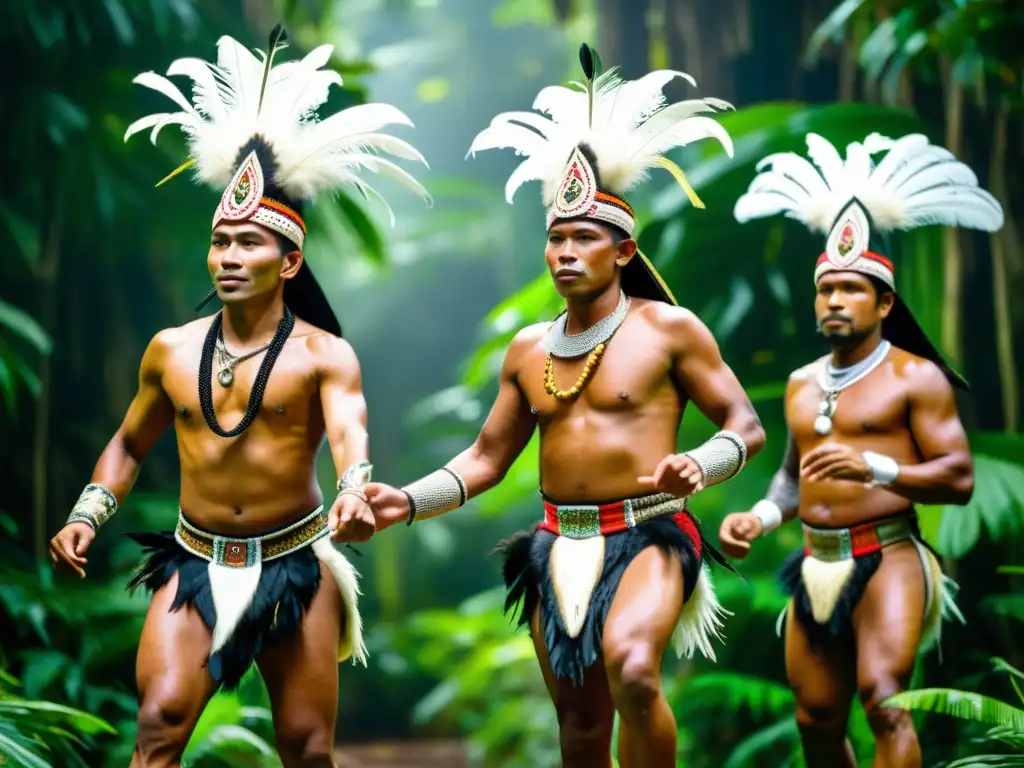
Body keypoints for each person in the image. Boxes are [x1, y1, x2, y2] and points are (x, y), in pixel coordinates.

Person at [364, 44, 765, 768]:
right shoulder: (526, 350)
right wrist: (406, 501)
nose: (566, 251)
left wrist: (698, 467)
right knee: (580, 731)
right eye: (556, 237)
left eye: (585, 237)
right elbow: (487, 457)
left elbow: (747, 426)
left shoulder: (669, 330)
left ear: (623, 250)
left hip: (649, 534)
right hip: (557, 543)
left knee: (637, 672)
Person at [47, 27, 429, 768]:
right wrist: (88, 512)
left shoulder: (324, 355)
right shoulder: (172, 349)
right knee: (158, 722)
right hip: (194, 560)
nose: (228, 256)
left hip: (295, 564)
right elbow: (130, 442)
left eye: (249, 243)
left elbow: (350, 430)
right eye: (221, 241)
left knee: (307, 748)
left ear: (290, 260)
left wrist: (354, 490)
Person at [719, 131, 1004, 768]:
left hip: (891, 555)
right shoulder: (800, 384)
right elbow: (792, 478)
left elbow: (957, 477)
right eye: (827, 289)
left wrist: (873, 465)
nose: (835, 301)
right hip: (815, 561)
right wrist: (760, 518)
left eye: (851, 289)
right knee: (815, 716)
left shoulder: (915, 377)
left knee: (884, 700)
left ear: (883, 302)